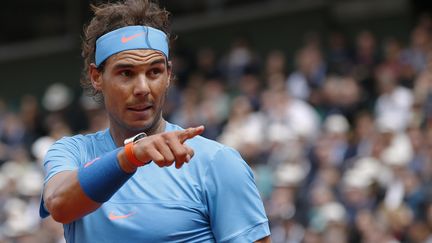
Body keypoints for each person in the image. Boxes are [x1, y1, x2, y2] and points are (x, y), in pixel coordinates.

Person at [39, 0, 271, 242]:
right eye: (126, 73)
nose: (142, 88)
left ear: (169, 75)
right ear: (96, 77)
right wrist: (131, 156)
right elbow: (59, 205)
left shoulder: (216, 163)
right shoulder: (71, 152)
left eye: (154, 72)